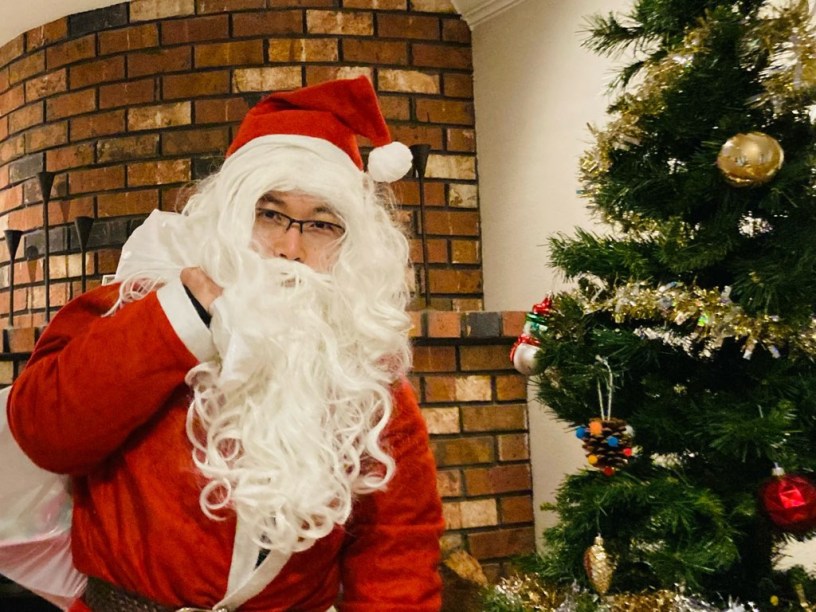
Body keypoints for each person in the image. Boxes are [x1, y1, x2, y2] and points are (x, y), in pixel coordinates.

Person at [7, 76, 444, 611]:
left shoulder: (365, 378)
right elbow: (44, 433)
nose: (289, 248)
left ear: (350, 246)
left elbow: (398, 552)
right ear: (229, 217)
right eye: (269, 213)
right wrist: (179, 321)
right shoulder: (131, 308)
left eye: (321, 225)